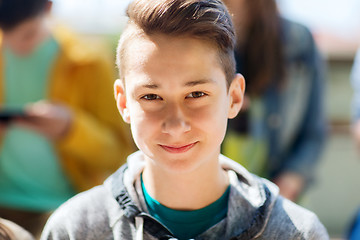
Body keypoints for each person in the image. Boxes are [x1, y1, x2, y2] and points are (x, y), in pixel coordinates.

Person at [41, 0, 329, 239]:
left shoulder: (298, 232)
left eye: (196, 94)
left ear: (234, 98)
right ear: (123, 102)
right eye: (151, 97)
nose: (176, 125)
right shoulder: (73, 228)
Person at [0, 0, 134, 236]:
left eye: (28, 34)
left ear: (48, 8)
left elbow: (118, 154)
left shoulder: (88, 61)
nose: (16, 45)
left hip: (63, 206)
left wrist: (70, 128)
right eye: (5, 34)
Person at [221, 0, 327, 201]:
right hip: (209, 196)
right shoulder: (191, 36)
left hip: (275, 196)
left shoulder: (299, 41)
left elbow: (313, 132)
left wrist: (288, 184)